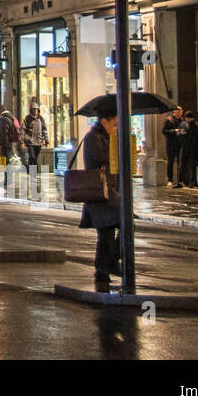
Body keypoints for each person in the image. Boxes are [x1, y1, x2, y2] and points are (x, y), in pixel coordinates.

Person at [77, 98, 122, 289]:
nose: (116, 127)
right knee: (107, 232)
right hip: (99, 193)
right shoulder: (94, 138)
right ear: (104, 121)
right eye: (114, 124)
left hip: (109, 193)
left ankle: (105, 268)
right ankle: (105, 269)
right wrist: (117, 142)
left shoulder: (105, 136)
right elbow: (107, 159)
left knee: (113, 230)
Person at [162, 106, 184, 187]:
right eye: (177, 112)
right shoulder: (168, 119)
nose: (178, 114)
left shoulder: (182, 121)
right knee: (170, 162)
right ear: (174, 112)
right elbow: (164, 131)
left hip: (179, 144)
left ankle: (179, 180)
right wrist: (174, 131)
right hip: (170, 144)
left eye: (180, 112)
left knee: (180, 163)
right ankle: (170, 180)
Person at [179, 110, 198, 189]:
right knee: (182, 165)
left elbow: (195, 136)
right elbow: (179, 134)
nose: (188, 120)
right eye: (186, 118)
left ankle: (191, 182)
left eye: (189, 118)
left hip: (192, 147)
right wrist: (181, 133)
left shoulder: (195, 125)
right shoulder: (183, 124)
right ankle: (180, 181)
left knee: (192, 165)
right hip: (185, 147)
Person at [22, 104, 48, 168]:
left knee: (35, 157)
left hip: (38, 141)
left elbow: (44, 129)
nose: (35, 111)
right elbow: (23, 129)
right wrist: (23, 139)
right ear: (31, 110)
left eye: (36, 109)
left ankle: (31, 170)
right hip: (30, 141)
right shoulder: (27, 118)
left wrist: (46, 139)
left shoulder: (41, 118)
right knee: (32, 156)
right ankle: (34, 171)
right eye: (33, 109)